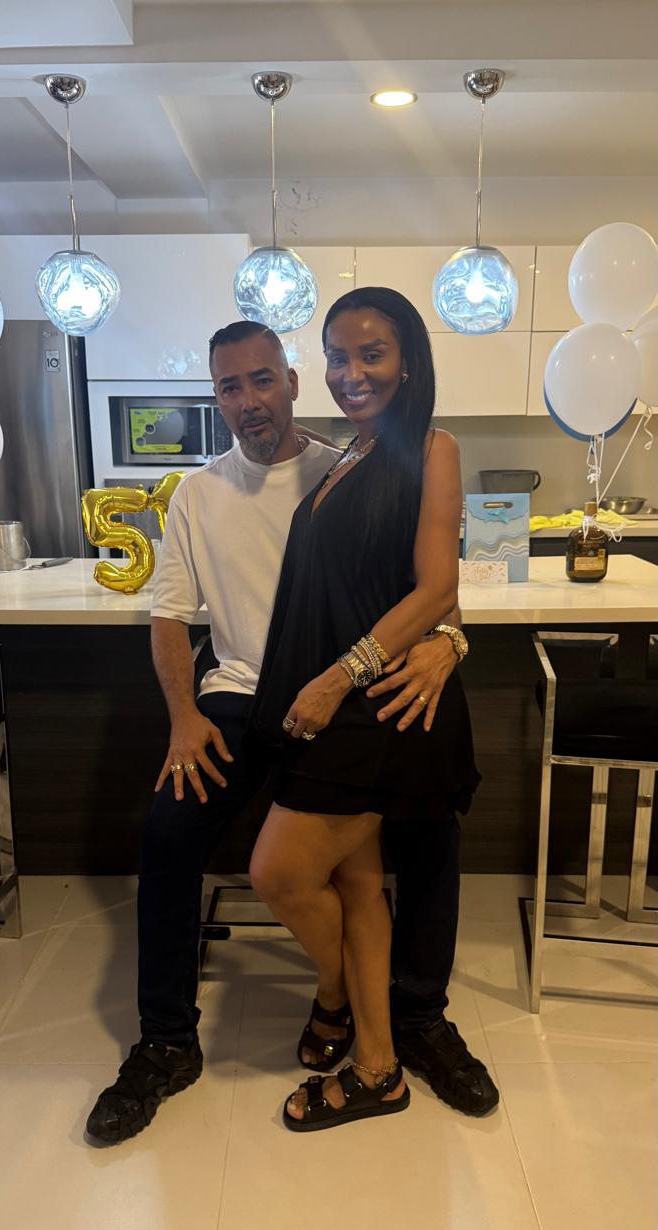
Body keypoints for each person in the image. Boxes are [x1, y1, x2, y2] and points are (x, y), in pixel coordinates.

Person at [85, 317, 497, 1144]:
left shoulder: (352, 462)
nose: (249, 400)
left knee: (425, 840)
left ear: (293, 382)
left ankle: (416, 1019)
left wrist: (450, 640)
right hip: (242, 696)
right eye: (229, 387)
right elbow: (169, 617)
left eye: (262, 379)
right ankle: (167, 1041)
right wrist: (183, 718)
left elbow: (424, 582)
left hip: (340, 698)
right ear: (216, 399)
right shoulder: (197, 494)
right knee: (169, 831)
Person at [247, 288, 484, 1131]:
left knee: (277, 873)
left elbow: (438, 586)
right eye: (337, 357)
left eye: (371, 354)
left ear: (408, 361)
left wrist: (343, 676)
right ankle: (378, 1066)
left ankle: (341, 995)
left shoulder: (432, 447)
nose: (351, 372)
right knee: (354, 880)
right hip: (343, 698)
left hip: (370, 704)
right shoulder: (351, 451)